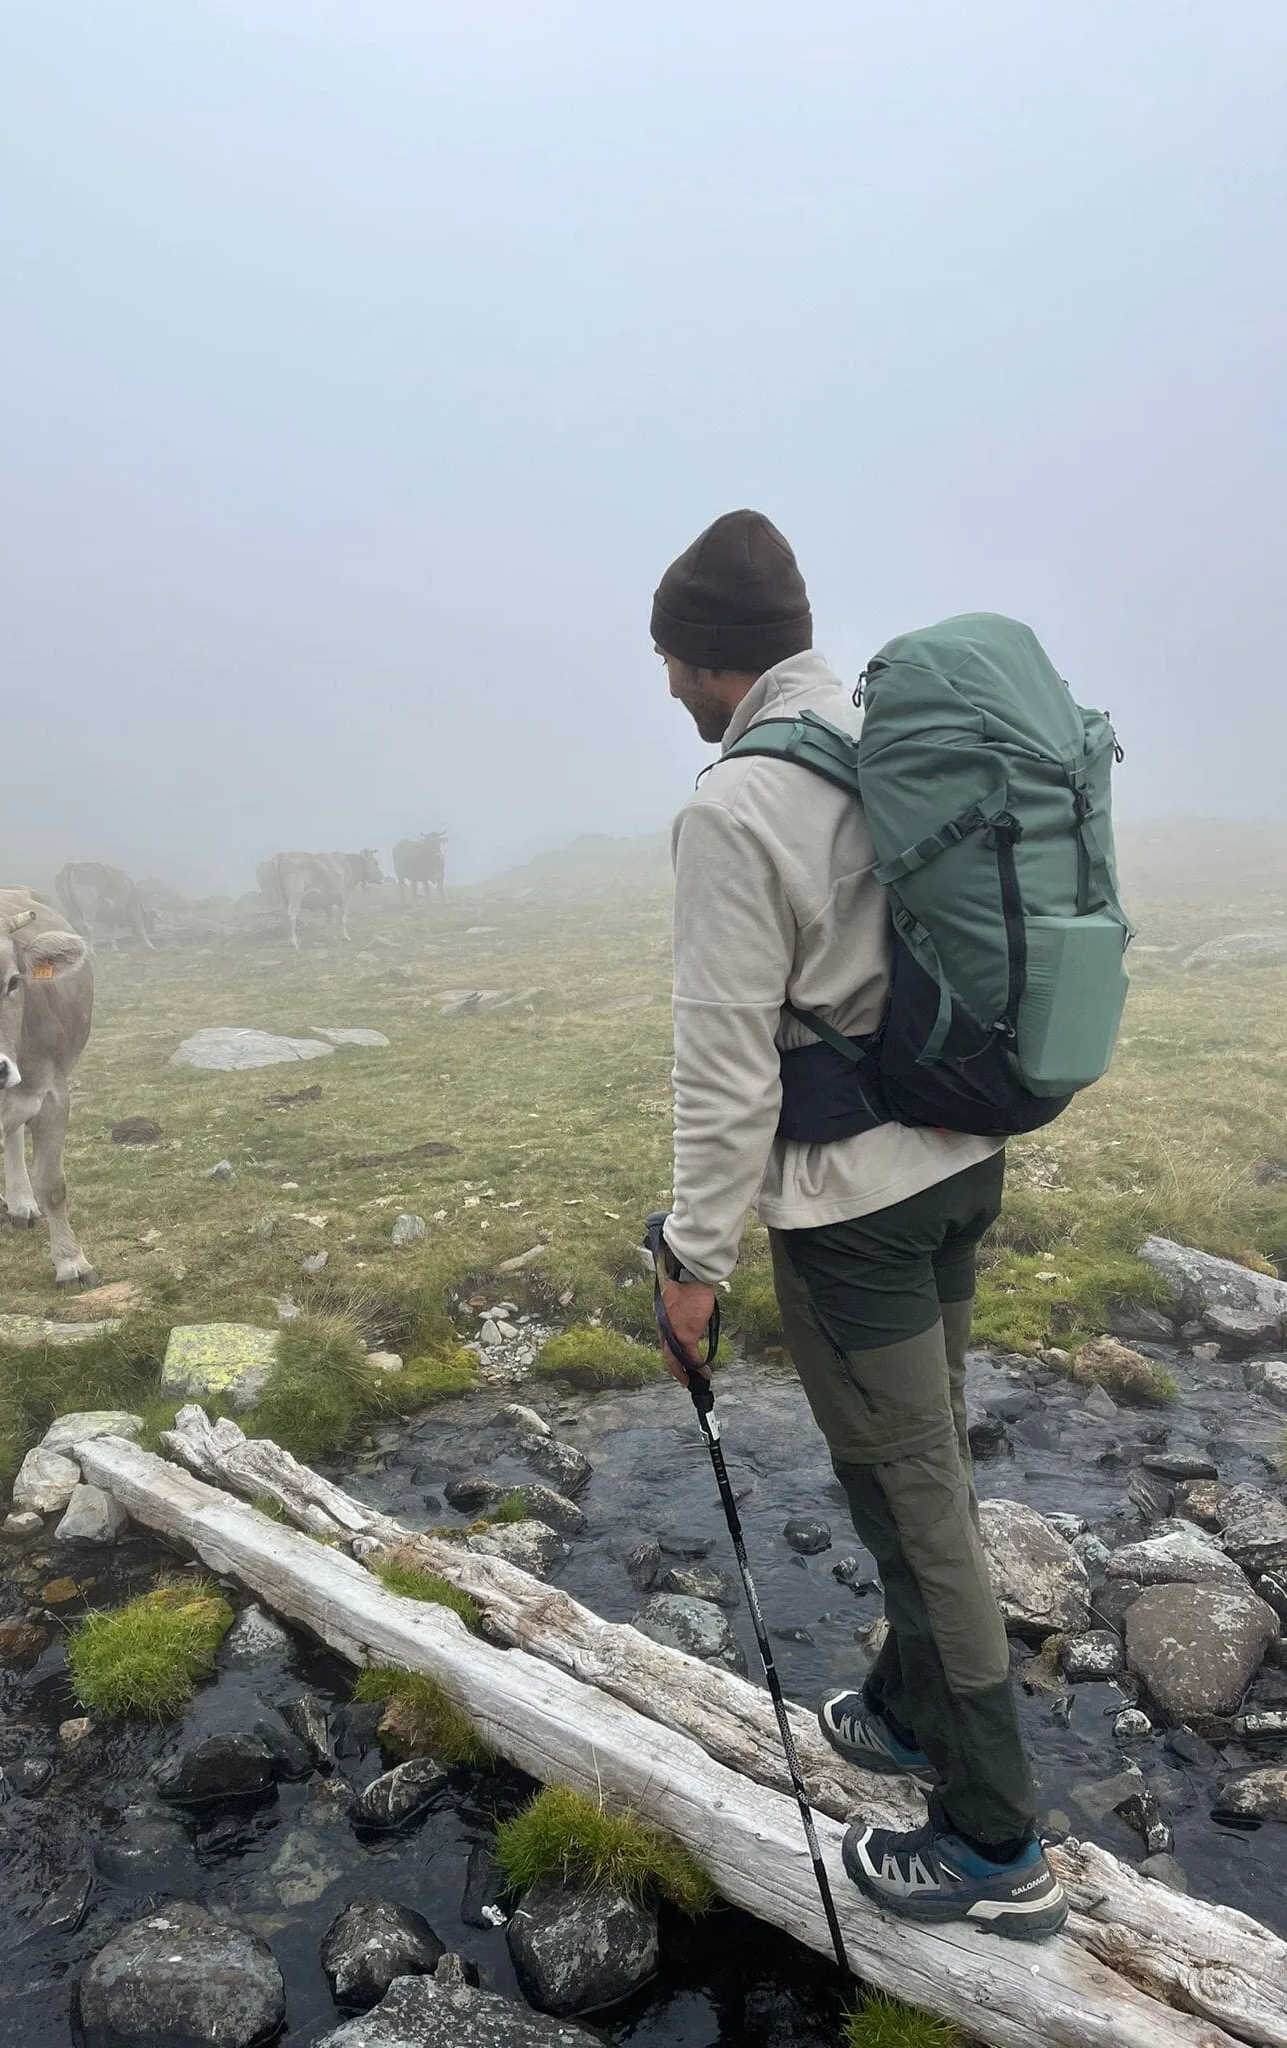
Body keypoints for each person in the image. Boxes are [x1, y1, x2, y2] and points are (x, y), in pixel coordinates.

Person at [650, 508, 1067, 1940]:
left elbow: (724, 1069)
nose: (663, 685)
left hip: (856, 1214)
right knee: (927, 1449)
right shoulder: (885, 737)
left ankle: (996, 1845)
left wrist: (692, 1268)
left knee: (912, 1501)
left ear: (705, 665)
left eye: (664, 661)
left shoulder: (733, 807)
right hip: (961, 1162)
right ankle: (901, 1710)